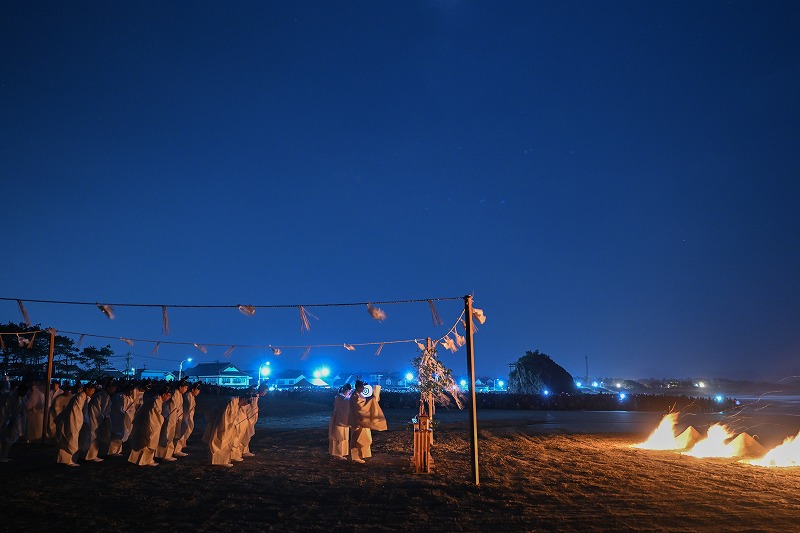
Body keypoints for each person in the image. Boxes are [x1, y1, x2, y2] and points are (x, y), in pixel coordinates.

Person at [128, 384, 170, 467]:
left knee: (143, 441)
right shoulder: (156, 401)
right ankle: (146, 460)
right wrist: (162, 419)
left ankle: (142, 460)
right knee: (148, 441)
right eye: (168, 395)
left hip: (144, 423)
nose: (169, 397)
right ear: (164, 394)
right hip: (147, 424)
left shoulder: (156, 400)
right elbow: (155, 416)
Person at [55, 382, 96, 466]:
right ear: (87, 389)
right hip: (71, 420)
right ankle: (68, 460)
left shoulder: (84, 397)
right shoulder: (80, 397)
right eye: (92, 390)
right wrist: (79, 424)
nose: (93, 392)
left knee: (71, 438)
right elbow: (75, 412)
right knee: (70, 437)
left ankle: (68, 459)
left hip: (75, 420)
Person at [202, 394, 248, 467]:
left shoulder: (235, 402)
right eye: (246, 402)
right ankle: (219, 461)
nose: (245, 405)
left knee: (226, 442)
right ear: (243, 399)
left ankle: (223, 460)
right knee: (221, 440)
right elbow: (227, 417)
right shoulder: (232, 402)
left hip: (227, 425)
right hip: (223, 425)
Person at [348, 380, 387, 463]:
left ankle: (362, 454)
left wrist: (372, 400)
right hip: (358, 420)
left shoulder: (358, 395)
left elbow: (364, 404)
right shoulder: (355, 396)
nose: (363, 388)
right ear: (358, 387)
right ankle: (355, 456)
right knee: (357, 438)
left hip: (362, 420)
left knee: (365, 438)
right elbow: (361, 408)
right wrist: (372, 401)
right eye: (362, 387)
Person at [84, 379, 116, 461]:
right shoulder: (100, 396)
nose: (114, 390)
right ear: (108, 388)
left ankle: (94, 454)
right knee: (93, 435)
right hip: (95, 418)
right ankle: (90, 456)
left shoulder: (106, 396)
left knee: (97, 436)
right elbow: (96, 410)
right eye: (112, 388)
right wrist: (102, 418)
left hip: (100, 418)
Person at [156, 380, 187, 461]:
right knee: (168, 435)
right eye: (185, 387)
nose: (186, 389)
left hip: (175, 418)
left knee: (173, 435)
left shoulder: (179, 394)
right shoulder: (175, 394)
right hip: (171, 417)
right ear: (180, 387)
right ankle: (165, 455)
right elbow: (172, 408)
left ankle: (172, 452)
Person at [1, 382, 29, 462]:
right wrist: (7, 419)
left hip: (12, 420)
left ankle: (4, 455)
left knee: (11, 437)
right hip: (4, 420)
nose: (25, 394)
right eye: (25, 391)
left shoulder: (19, 398)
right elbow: (5, 409)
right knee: (4, 438)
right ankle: (2, 456)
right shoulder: (9, 396)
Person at [173, 382, 201, 457]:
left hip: (187, 417)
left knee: (184, 432)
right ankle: (177, 450)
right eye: (197, 390)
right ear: (193, 390)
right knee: (181, 432)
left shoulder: (191, 396)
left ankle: (179, 447)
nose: (198, 392)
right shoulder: (187, 395)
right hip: (184, 417)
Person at [108, 383, 135, 456]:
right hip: (118, 419)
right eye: (130, 390)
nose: (131, 392)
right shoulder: (119, 397)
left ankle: (117, 451)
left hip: (124, 419)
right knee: (116, 435)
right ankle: (112, 451)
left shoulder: (129, 398)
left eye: (132, 391)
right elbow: (119, 410)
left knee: (121, 435)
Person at [240, 384, 268, 457]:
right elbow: (250, 408)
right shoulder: (254, 396)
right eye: (266, 391)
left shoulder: (256, 396)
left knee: (247, 435)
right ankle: (243, 451)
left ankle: (245, 450)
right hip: (248, 418)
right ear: (263, 390)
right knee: (245, 435)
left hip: (250, 418)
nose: (266, 393)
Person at [328, 384, 352, 460]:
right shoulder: (340, 398)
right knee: (338, 437)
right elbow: (348, 403)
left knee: (343, 437)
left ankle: (340, 453)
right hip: (339, 419)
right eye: (349, 391)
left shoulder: (342, 397)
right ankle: (337, 454)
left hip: (343, 419)